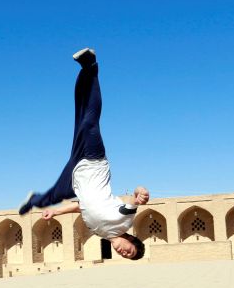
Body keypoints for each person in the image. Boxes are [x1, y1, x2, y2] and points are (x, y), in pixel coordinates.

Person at [19, 48, 150, 260]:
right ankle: (90, 66)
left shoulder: (99, 232)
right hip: (93, 162)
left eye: (125, 256)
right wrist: (140, 191)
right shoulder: (124, 222)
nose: (123, 252)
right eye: (129, 250)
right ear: (131, 239)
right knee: (89, 122)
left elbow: (83, 207)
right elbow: (133, 200)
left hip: (76, 174)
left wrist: (56, 212)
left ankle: (36, 199)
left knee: (53, 196)